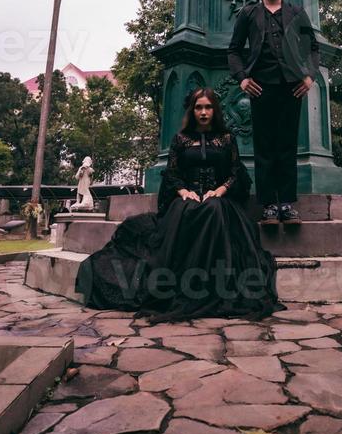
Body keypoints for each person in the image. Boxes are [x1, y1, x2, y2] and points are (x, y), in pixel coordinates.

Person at [75, 87, 281, 321]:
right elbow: (172, 173)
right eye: (199, 107)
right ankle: (188, 285)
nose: (203, 112)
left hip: (219, 199)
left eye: (208, 107)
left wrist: (220, 190)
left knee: (213, 209)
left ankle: (209, 285)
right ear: (192, 111)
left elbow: (235, 173)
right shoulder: (181, 139)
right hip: (187, 197)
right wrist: (184, 191)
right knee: (190, 210)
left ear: (215, 110)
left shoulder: (226, 139)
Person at [228, 0, 319, 225]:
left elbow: (313, 48)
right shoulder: (248, 13)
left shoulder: (296, 12)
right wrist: (242, 78)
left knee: (287, 145)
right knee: (265, 146)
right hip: (260, 87)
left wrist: (310, 77)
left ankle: (287, 205)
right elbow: (233, 50)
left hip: (292, 87)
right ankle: (268, 205)